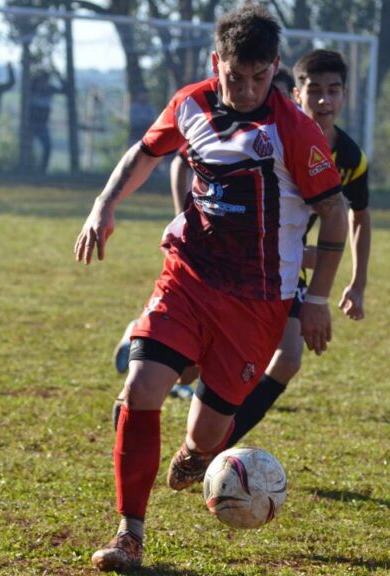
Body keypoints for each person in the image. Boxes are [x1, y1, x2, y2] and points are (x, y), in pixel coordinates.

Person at [75, 4, 347, 571]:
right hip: (189, 276)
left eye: (259, 77)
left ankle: (197, 453)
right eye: (234, 76)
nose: (247, 89)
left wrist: (316, 298)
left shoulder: (293, 132)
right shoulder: (190, 102)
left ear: (275, 67)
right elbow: (146, 152)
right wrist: (105, 204)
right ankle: (130, 533)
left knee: (207, 435)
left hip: (258, 302)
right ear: (215, 61)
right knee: (141, 388)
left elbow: (336, 213)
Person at [109, 67, 302, 406]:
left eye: (283, 96)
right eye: (276, 93)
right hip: (222, 264)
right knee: (194, 361)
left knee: (270, 356)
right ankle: (141, 344)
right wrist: (182, 212)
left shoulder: (302, 138)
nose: (270, 100)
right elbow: (178, 159)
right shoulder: (236, 133)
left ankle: (154, 360)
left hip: (275, 270)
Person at [224, 48, 371, 448]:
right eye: (316, 91)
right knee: (198, 361)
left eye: (334, 91)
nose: (325, 101)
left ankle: (217, 446)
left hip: (285, 266)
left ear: (344, 95)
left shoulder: (351, 158)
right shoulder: (271, 137)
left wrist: (356, 283)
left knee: (288, 359)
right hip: (237, 260)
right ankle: (145, 348)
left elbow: (358, 215)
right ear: (297, 94)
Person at [28, 69, 62, 174]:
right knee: (28, 148)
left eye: (45, 81)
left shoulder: (50, 90)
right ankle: (29, 169)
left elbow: (66, 89)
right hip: (31, 125)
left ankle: (42, 170)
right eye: (41, 81)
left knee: (47, 147)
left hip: (43, 125)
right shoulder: (32, 89)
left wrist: (58, 76)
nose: (43, 84)